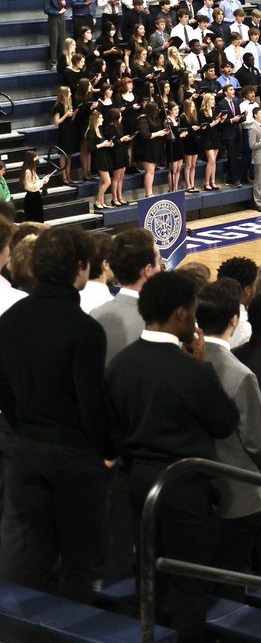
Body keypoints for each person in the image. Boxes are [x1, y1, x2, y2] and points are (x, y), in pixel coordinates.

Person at [105, 272, 240, 643]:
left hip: (136, 485)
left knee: (149, 578)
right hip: (184, 488)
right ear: (181, 313)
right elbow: (225, 422)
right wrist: (204, 368)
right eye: (194, 311)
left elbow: (112, 428)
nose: (196, 319)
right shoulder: (191, 370)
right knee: (189, 586)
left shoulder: (121, 363)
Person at [0, 227, 113, 603]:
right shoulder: (85, 329)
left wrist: (24, 430)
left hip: (26, 450)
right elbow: (90, 404)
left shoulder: (10, 320)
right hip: (74, 458)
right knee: (79, 559)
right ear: (80, 268)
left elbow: (5, 393)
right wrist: (107, 450)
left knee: (36, 550)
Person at [196, 283, 261, 600]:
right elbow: (257, 442)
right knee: (230, 587)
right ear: (233, 322)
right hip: (238, 496)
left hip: (196, 492)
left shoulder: (183, 361)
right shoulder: (240, 375)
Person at [91, 228, 161, 365]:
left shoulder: (95, 314)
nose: (160, 268)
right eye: (158, 262)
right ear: (147, 270)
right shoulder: (160, 321)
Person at [43, 0, 67, 72]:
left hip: (62, 17)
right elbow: (46, 9)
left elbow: (64, 5)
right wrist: (57, 12)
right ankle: (53, 62)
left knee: (62, 40)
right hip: (53, 18)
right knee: (54, 41)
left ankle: (61, 61)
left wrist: (65, 5)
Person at [19, 151, 47, 224]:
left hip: (36, 196)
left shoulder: (32, 170)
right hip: (32, 198)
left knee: (39, 219)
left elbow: (36, 182)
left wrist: (43, 180)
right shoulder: (28, 171)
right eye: (35, 158)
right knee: (34, 219)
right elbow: (29, 187)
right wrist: (42, 182)